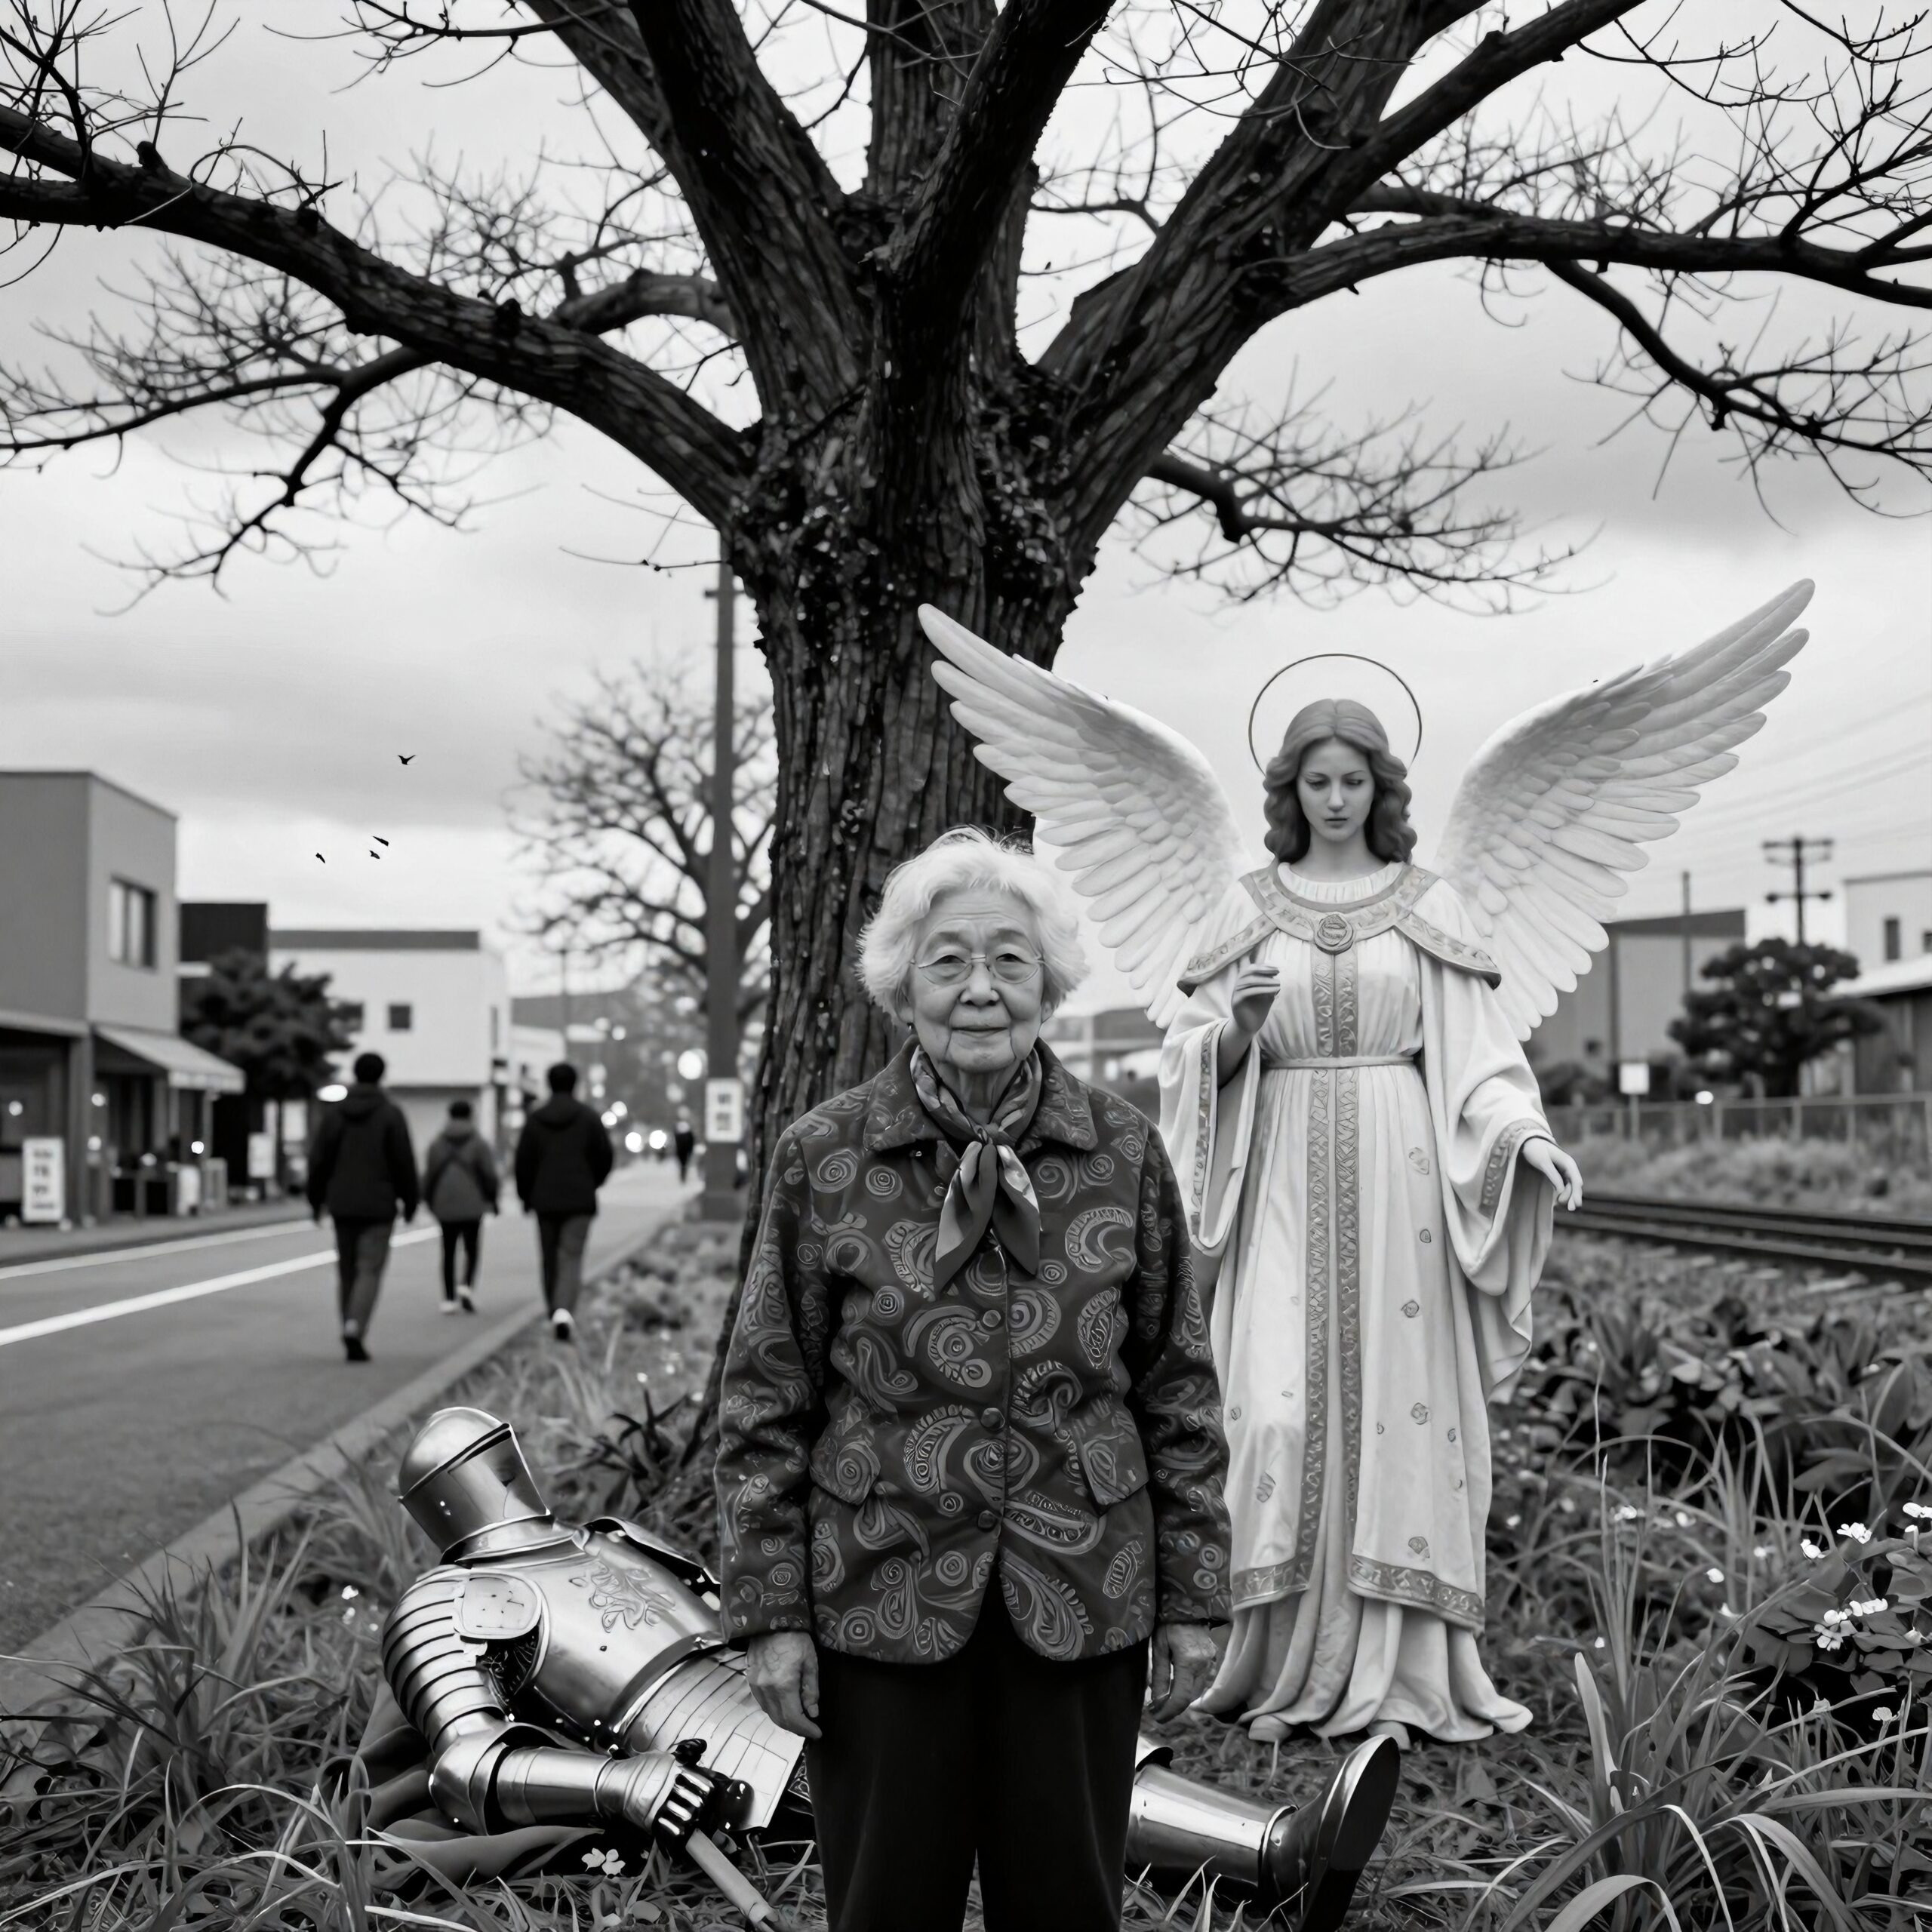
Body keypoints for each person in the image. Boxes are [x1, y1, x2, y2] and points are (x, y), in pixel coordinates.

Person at [714, 829, 1397, 1932]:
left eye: (1010, 961)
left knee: (1068, 1905)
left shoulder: (1123, 1154)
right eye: (948, 960)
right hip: (876, 1594)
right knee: (886, 1907)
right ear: (901, 985)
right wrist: (771, 1613)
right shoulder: (823, 1156)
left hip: (1084, 1593)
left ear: (1051, 984)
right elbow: (763, 1401)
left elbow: (1176, 1385)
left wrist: (1191, 1599)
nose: (980, 987)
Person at [1160, 703, 1582, 1749]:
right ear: (1290, 792)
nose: (1337, 799)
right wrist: (1237, 1036)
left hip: (1402, 1179)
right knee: (1273, 1412)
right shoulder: (1245, 907)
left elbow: (1478, 1056)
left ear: (1381, 787)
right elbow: (1187, 1057)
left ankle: (1401, 1673)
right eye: (1317, 782)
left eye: (1354, 780)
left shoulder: (1426, 906)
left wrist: (1520, 1139)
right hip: (1280, 1172)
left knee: (1404, 1415)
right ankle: (1276, 1663)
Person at [306, 1051, 420, 1362]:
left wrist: (316, 1200)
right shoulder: (391, 1114)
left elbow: (319, 1161)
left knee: (347, 1270)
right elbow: (403, 1162)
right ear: (381, 1075)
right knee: (369, 1268)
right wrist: (410, 1201)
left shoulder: (335, 1115)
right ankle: (356, 1326)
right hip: (379, 1206)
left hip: (342, 1203)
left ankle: (348, 1322)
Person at [513, 1061, 614, 1344]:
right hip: (580, 1199)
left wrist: (526, 1195)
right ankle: (564, 1312)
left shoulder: (535, 1119)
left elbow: (523, 1162)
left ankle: (553, 1311)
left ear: (548, 1084)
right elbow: (605, 1157)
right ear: (575, 1084)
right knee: (571, 1256)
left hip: (544, 1200)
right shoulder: (588, 1118)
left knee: (549, 1258)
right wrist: (592, 1182)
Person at [420, 1099, 500, 1314]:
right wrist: (493, 1200)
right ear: (470, 1116)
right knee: (471, 1247)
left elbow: (429, 1176)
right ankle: (466, 1285)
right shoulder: (478, 1143)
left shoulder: (437, 1144)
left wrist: (427, 1200)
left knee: (447, 1251)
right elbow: (489, 1175)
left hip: (444, 1203)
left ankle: (448, 1298)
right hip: (472, 1203)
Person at [672, 1115, 696, 1184]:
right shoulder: (687, 1134)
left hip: (682, 1151)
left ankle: (683, 1176)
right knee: (684, 1164)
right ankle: (683, 1176)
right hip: (684, 1151)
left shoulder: (679, 1133)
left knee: (683, 1164)